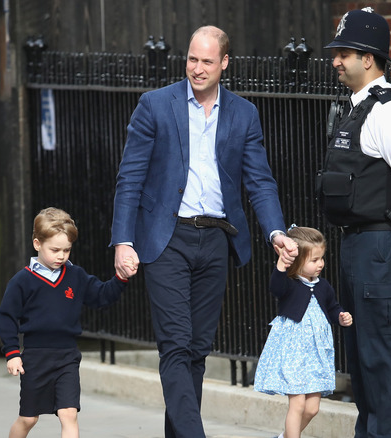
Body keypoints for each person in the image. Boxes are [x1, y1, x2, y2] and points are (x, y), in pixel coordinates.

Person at [110, 25, 298, 437]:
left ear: (224, 63)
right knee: (175, 345)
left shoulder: (244, 113)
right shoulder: (155, 106)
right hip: (166, 239)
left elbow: (259, 181)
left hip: (216, 238)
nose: (197, 68)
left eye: (207, 61)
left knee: (196, 351)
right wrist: (124, 241)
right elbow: (130, 178)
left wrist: (276, 232)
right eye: (192, 59)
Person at [317, 7, 391, 437]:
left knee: (384, 358)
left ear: (368, 58)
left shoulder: (387, 112)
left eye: (344, 52)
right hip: (358, 246)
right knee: (362, 359)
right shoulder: (356, 108)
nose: (336, 60)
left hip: (383, 247)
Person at [0, 207, 135, 438]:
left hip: (67, 357)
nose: (61, 256)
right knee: (28, 418)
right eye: (55, 250)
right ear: (37, 243)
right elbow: (6, 316)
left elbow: (101, 296)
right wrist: (12, 353)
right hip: (35, 358)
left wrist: (121, 278)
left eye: (67, 250)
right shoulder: (22, 281)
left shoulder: (76, 276)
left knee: (69, 413)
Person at [254, 226, 353, 438]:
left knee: (312, 408)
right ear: (298, 261)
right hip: (294, 353)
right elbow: (275, 288)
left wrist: (341, 316)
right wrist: (281, 265)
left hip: (316, 355)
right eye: (314, 260)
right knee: (297, 405)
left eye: (322, 258)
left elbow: (333, 307)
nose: (321, 264)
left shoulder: (323, 286)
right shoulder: (289, 284)